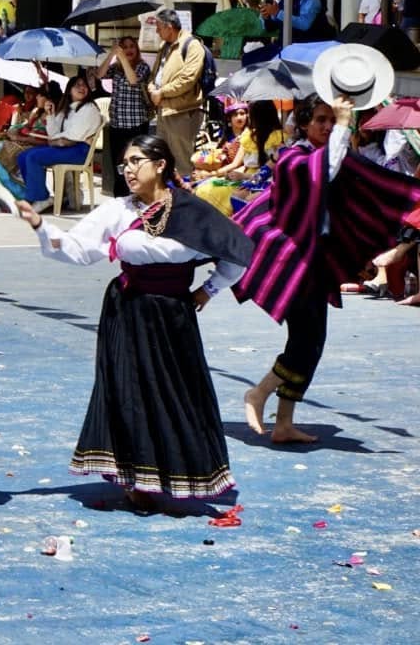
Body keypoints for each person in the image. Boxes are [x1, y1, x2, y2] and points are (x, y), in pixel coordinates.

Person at [17, 135, 253, 511]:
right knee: (129, 392)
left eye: (136, 161)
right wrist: (40, 226)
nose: (127, 169)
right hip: (127, 309)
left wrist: (208, 290)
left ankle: (177, 471)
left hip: (173, 314)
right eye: (124, 162)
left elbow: (237, 252)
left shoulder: (191, 211)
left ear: (160, 165)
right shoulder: (117, 211)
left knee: (175, 392)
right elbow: (77, 250)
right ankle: (134, 478)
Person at [233, 95, 420, 444]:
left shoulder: (335, 158)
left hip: (315, 263)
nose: (327, 126)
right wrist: (346, 122)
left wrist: (360, 258)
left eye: (330, 121)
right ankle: (258, 393)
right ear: (303, 123)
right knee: (304, 342)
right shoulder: (293, 159)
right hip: (288, 264)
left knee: (311, 342)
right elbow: (325, 169)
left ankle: (284, 422)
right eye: (320, 119)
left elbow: (350, 208)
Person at [15, 74, 102, 213]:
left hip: (80, 150)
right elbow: (54, 134)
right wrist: (50, 114)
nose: (82, 88)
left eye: (84, 85)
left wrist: (56, 141)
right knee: (23, 156)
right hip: (66, 147)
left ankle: (40, 198)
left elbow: (73, 137)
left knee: (34, 157)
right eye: (77, 85)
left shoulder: (89, 108)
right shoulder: (68, 108)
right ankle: (36, 196)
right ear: (69, 90)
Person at [147, 8, 205, 175]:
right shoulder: (164, 46)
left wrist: (161, 92)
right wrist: (152, 89)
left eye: (159, 27)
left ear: (169, 26)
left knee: (182, 162)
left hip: (181, 112)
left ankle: (184, 198)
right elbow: (155, 74)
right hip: (163, 110)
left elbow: (187, 79)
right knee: (163, 160)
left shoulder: (192, 46)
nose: (157, 31)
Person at [98, 36, 152, 198]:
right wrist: (111, 54)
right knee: (119, 165)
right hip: (117, 124)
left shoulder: (142, 67)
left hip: (135, 124)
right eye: (124, 47)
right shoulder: (115, 68)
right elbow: (100, 74)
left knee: (136, 163)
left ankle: (138, 196)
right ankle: (120, 198)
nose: (128, 50)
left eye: (131, 46)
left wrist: (122, 57)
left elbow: (133, 80)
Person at [262, 0, 334, 42]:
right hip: (289, 46)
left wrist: (277, 13)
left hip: (311, 45)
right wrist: (267, 18)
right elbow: (273, 27)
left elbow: (304, 24)